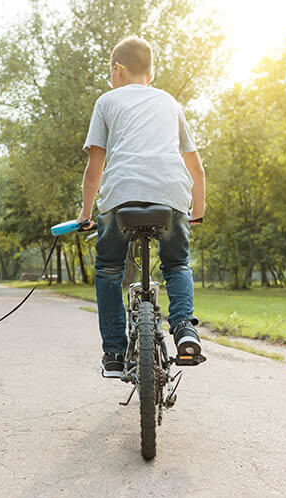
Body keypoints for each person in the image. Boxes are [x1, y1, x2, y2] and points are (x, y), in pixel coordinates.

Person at [77, 36, 206, 378]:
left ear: (117, 70)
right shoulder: (170, 103)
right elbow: (196, 168)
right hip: (172, 196)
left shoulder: (107, 101)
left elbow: (95, 169)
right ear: (150, 74)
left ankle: (115, 354)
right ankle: (185, 329)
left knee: (107, 269)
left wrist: (85, 215)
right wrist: (198, 211)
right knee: (177, 263)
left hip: (121, 197)